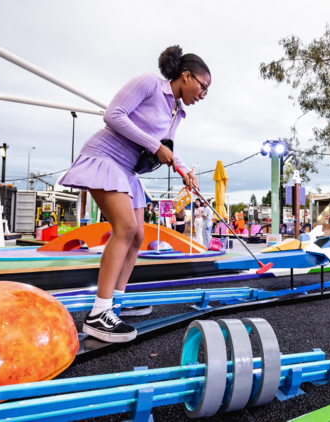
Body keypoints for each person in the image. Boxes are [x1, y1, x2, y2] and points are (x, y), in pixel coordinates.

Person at [59, 45, 208, 342]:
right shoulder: (150, 83)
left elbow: (164, 146)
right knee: (125, 229)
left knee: (138, 235)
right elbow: (113, 115)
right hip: (105, 158)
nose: (204, 94)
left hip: (128, 171)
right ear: (187, 76)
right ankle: (98, 315)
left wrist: (184, 171)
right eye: (203, 86)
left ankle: (117, 303)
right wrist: (156, 147)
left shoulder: (177, 112)